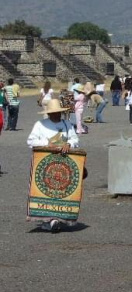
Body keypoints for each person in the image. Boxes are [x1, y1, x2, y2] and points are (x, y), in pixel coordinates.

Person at [27, 99, 79, 232]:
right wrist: (47, 144)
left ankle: (57, 218)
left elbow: (75, 139)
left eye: (58, 113)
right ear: (49, 114)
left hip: (64, 163)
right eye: (53, 113)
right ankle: (49, 219)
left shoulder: (67, 124)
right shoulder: (40, 124)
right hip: (45, 162)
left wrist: (69, 144)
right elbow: (31, 141)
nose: (56, 115)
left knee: (61, 190)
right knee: (46, 190)